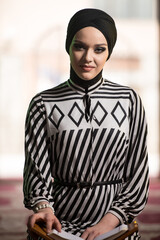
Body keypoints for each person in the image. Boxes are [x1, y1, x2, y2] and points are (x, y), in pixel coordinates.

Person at [23, 8, 149, 240]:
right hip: (59, 221)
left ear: (109, 52)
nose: (88, 58)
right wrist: (44, 209)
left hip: (115, 221)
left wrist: (108, 222)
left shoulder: (129, 100)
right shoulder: (43, 103)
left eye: (99, 49)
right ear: (68, 47)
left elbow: (137, 172)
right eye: (79, 46)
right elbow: (36, 171)